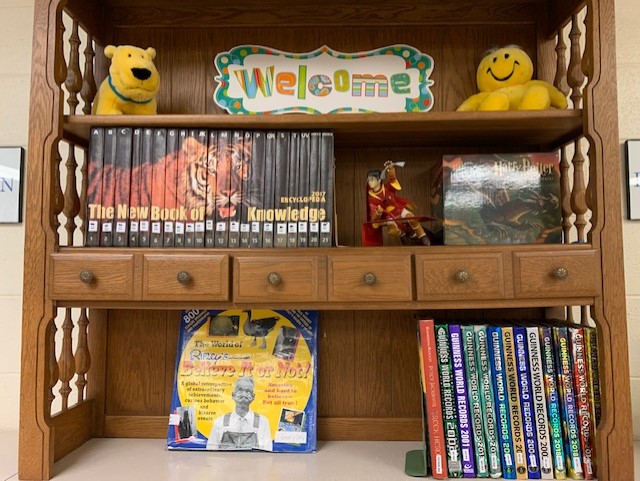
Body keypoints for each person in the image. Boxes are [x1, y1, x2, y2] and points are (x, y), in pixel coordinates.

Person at [366, 160, 430, 245]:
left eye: (372, 179)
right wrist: (378, 212)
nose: (369, 182)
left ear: (379, 180)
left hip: (399, 210)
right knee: (392, 231)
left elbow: (392, 179)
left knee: (411, 218)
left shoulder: (388, 188)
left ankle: (422, 235)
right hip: (389, 216)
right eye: (368, 180)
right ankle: (402, 234)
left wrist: (391, 169)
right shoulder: (371, 197)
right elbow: (373, 217)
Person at [206, 376, 273, 451]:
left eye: (248, 391)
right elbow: (211, 454)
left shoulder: (262, 422)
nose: (244, 394)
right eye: (240, 390)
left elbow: (267, 455)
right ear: (233, 395)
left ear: (253, 396)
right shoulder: (219, 422)